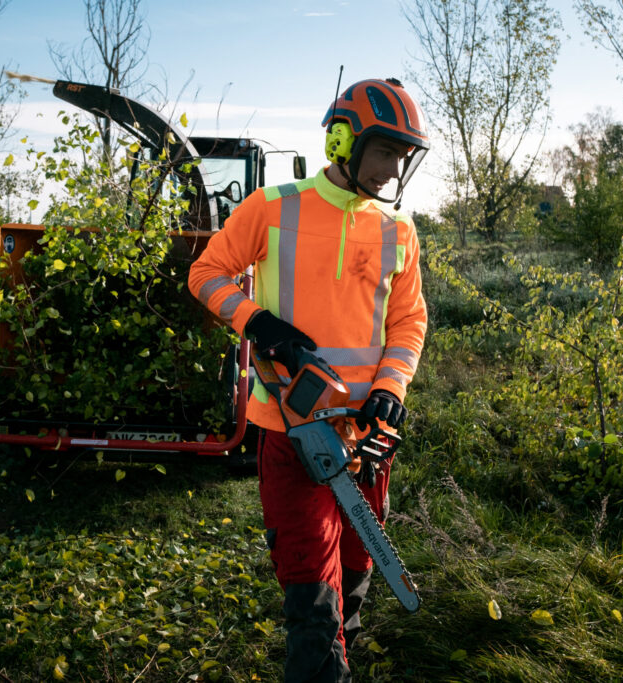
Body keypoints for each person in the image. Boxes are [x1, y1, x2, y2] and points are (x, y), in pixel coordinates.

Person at [188, 77, 429, 682]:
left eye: (402, 157)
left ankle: (341, 646)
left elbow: (408, 322)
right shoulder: (273, 209)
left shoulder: (399, 232)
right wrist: (258, 321)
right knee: (313, 604)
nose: (392, 169)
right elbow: (207, 274)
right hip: (293, 435)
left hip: (367, 440)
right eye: (384, 152)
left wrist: (390, 389)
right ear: (344, 140)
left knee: (356, 574)